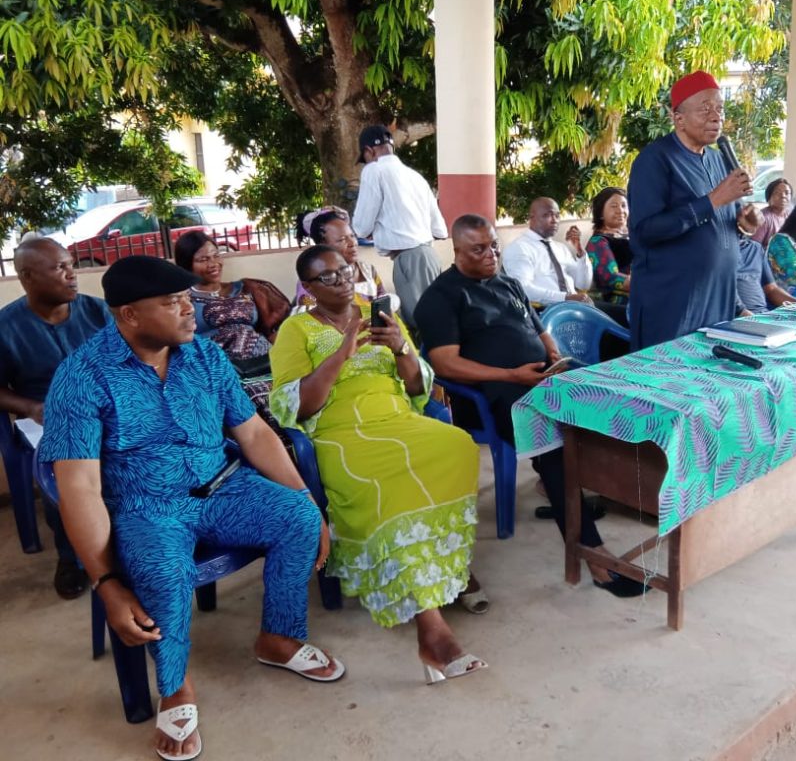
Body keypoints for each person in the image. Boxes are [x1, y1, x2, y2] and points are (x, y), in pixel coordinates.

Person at [39, 255, 343, 761]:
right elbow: (80, 491)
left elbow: (255, 435)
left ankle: (278, 637)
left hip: (223, 487)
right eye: (172, 303)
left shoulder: (203, 355)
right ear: (130, 315)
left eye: (186, 300)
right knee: (161, 570)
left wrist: (307, 504)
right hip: (146, 506)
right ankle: (175, 685)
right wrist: (106, 582)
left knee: (297, 517)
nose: (189, 312)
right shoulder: (81, 377)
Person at [269, 244, 487, 683]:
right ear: (308, 288)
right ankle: (432, 629)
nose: (342, 280)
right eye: (327, 277)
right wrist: (340, 354)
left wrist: (403, 348)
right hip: (341, 431)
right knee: (384, 484)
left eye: (345, 270)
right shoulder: (296, 331)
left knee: (457, 445)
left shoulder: (378, 312)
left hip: (395, 416)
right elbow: (297, 407)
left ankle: (439, 563)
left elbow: (415, 385)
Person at [415, 214, 647, 598]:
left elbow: (536, 325)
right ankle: (594, 554)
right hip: (491, 397)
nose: (490, 254)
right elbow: (444, 363)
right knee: (554, 441)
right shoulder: (441, 298)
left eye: (493, 245)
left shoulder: (506, 282)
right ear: (455, 251)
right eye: (478, 249)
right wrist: (511, 376)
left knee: (613, 405)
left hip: (540, 378)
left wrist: (552, 351)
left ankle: (585, 492)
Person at [0, 237, 112, 599]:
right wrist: (31, 408)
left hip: (108, 408)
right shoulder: (6, 327)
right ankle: (72, 556)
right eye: (60, 268)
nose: (72, 275)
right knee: (61, 468)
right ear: (28, 277)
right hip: (46, 416)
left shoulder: (98, 312)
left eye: (71, 265)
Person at [626, 70, 755, 350]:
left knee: (711, 387)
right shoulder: (654, 160)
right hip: (673, 302)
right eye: (705, 109)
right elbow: (645, 231)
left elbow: (717, 229)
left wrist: (743, 223)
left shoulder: (719, 159)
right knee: (670, 388)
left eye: (719, 108)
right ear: (678, 118)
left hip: (719, 299)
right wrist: (713, 201)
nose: (716, 116)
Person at [173, 231, 290, 421]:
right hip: (222, 374)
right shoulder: (181, 300)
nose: (213, 264)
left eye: (216, 255)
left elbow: (280, 326)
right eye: (203, 259)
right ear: (187, 264)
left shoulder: (249, 288)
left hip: (267, 364)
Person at [351, 124, 447, 327]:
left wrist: (373, 230)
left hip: (409, 258)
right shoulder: (415, 176)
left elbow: (360, 227)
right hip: (428, 255)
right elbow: (440, 229)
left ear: (369, 151)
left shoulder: (373, 170)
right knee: (437, 319)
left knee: (421, 324)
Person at [295, 207, 400, 312]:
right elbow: (310, 318)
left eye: (352, 236)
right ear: (323, 245)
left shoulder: (368, 271)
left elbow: (383, 303)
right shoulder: (313, 280)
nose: (352, 243)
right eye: (342, 239)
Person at [502, 197, 594, 308]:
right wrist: (565, 298)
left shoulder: (561, 248)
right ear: (532, 218)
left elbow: (583, 284)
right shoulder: (519, 248)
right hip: (545, 312)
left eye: (557, 215)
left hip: (574, 308)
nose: (554, 220)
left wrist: (580, 252)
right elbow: (524, 289)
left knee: (618, 314)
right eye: (547, 215)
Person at [735, 212, 796, 314]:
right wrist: (748, 316)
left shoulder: (755, 248)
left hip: (762, 314)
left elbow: (771, 289)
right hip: (739, 318)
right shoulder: (718, 253)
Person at [585, 186, 631, 309]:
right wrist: (649, 283)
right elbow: (610, 277)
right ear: (601, 213)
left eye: (623, 205)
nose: (620, 210)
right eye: (614, 206)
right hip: (619, 300)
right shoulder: (598, 241)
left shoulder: (635, 235)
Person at [752, 177, 792, 247]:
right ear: (769, 197)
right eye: (777, 192)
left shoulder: (791, 215)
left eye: (787, 193)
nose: (783, 196)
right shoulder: (763, 218)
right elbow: (754, 247)